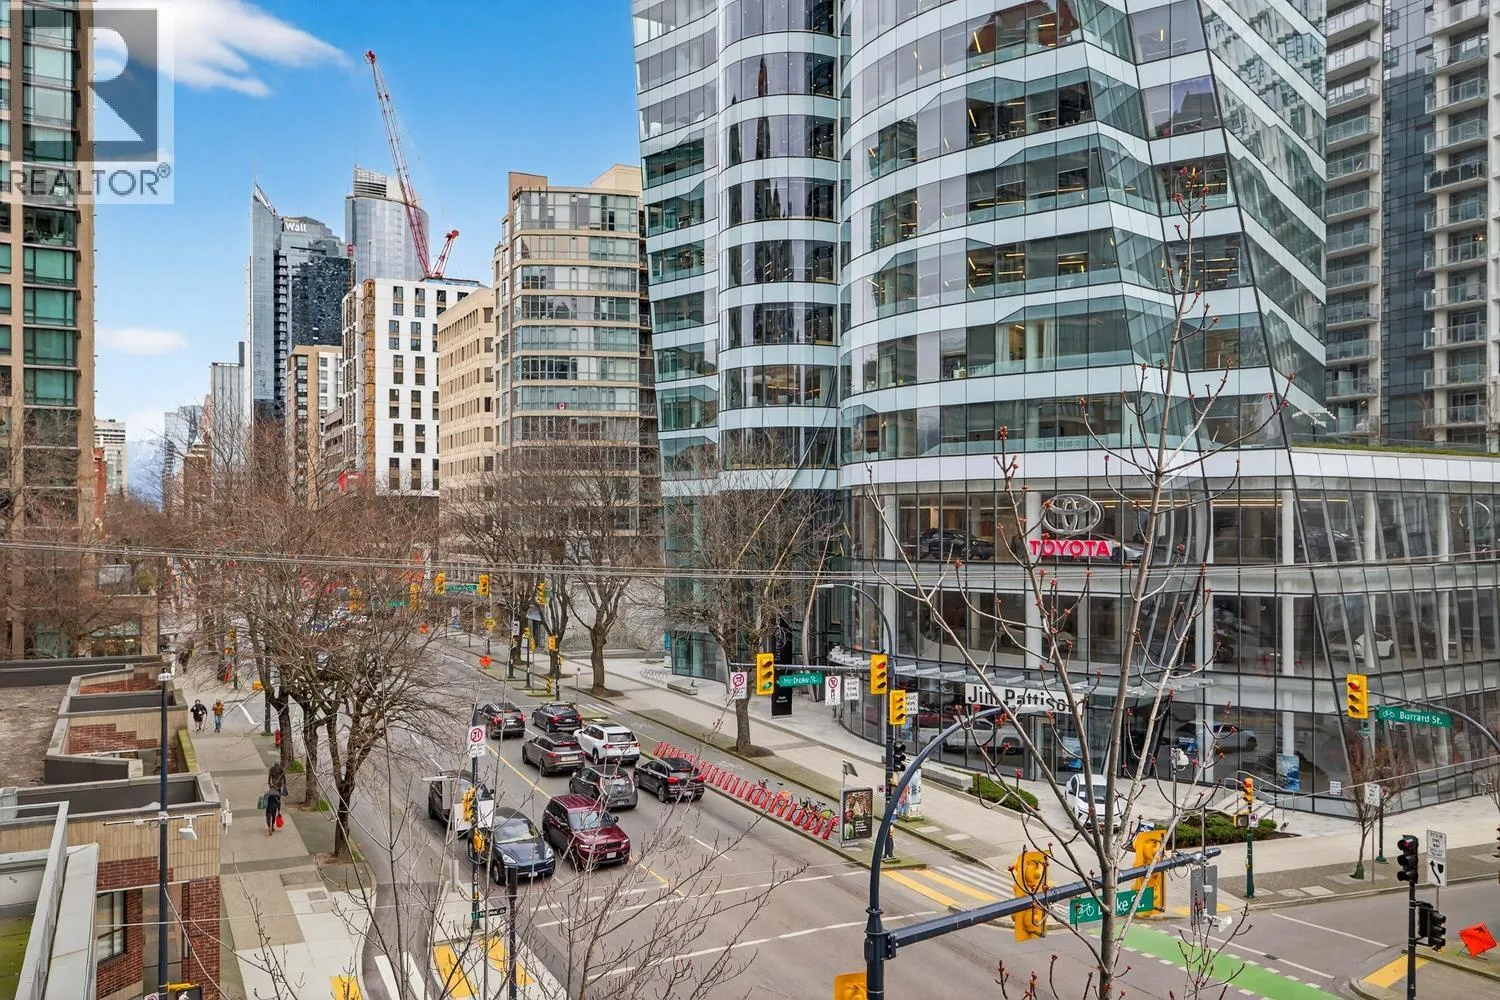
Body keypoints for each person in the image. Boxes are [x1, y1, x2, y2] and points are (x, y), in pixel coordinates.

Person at [266, 762, 287, 836]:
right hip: (279, 785)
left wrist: (269, 783)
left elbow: (269, 777)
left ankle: (269, 827)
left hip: (269, 807)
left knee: (268, 816)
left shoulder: (272, 769)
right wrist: (279, 809)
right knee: (273, 816)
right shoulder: (281, 769)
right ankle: (272, 827)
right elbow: (283, 776)